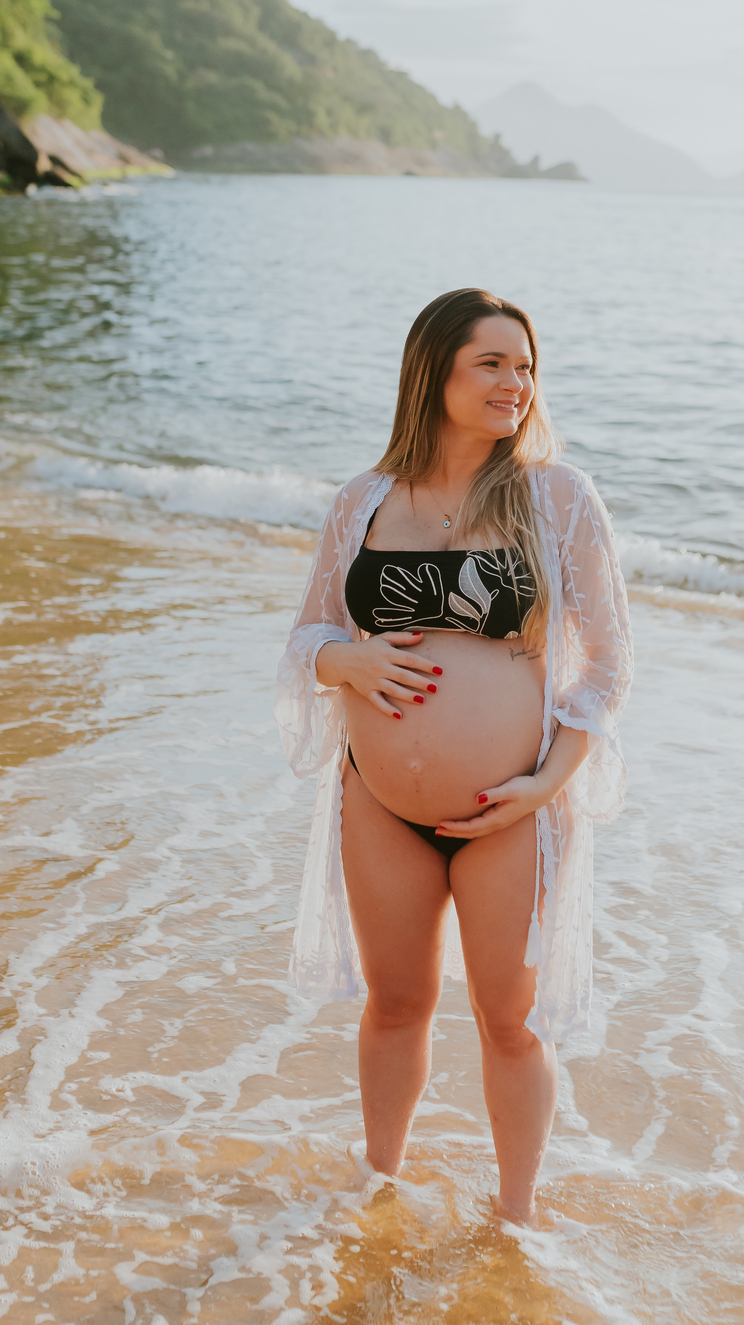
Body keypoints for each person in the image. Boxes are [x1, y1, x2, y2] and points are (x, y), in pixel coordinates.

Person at [275, 288, 632, 1225]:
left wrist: (545, 785)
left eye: (526, 367)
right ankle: (376, 1188)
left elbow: (608, 664)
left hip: (509, 811)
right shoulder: (364, 499)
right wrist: (346, 659)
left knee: (508, 1022)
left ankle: (515, 1223)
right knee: (395, 1004)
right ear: (434, 371)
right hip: (379, 803)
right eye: (492, 363)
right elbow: (311, 631)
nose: (516, 383)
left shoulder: (557, 497)